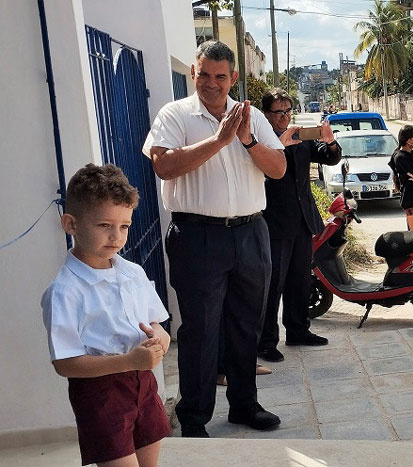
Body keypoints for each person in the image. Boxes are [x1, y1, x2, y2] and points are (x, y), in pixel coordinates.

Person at [143, 40, 285, 437]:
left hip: (251, 233)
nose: (211, 83)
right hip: (197, 237)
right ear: (193, 73)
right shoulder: (175, 114)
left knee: (247, 325)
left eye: (220, 76)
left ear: (233, 78)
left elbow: (277, 169)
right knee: (201, 331)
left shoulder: (251, 117)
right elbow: (164, 166)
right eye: (203, 74)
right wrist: (219, 140)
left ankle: (244, 405)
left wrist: (247, 141)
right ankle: (194, 417)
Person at [42, 164, 171, 467]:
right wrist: (129, 361)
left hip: (143, 383)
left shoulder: (132, 272)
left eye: (124, 226)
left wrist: (160, 338)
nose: (116, 236)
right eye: (104, 225)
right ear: (71, 224)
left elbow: (155, 322)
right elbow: (65, 364)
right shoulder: (65, 292)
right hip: (101, 394)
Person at [256, 88, 341, 363]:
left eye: (287, 111)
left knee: (300, 281)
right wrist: (280, 144)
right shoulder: (259, 140)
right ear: (266, 114)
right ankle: (266, 342)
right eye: (278, 112)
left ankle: (298, 330)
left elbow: (330, 158)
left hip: (303, 221)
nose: (284, 117)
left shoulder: (299, 138)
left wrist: (329, 142)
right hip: (275, 224)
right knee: (272, 286)